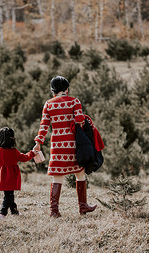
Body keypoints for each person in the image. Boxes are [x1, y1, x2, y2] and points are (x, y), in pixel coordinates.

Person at [33, 76, 97, 217]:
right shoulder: (75, 101)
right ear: (67, 89)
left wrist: (38, 143)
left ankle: (54, 211)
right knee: (80, 173)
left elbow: (44, 126)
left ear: (53, 90)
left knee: (57, 177)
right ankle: (83, 206)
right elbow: (80, 120)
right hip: (72, 143)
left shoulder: (48, 104)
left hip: (57, 145)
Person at [0, 127, 36, 219]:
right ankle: (2, 213)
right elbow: (24, 158)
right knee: (8, 196)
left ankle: (14, 211)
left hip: (1, 178)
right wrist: (32, 153)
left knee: (9, 195)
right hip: (11, 178)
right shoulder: (14, 151)